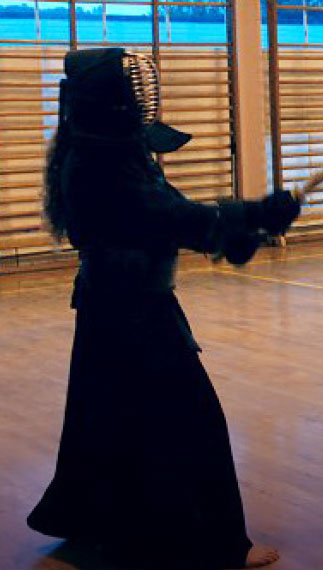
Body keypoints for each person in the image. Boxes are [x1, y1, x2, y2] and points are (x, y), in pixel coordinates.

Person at [28, 48, 301, 569]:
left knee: (111, 419)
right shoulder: (96, 160)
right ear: (110, 98)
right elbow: (159, 213)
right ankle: (214, 545)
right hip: (132, 312)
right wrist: (252, 213)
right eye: (131, 87)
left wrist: (236, 232)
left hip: (118, 305)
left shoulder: (110, 146)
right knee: (192, 424)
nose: (143, 95)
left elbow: (167, 210)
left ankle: (98, 525)